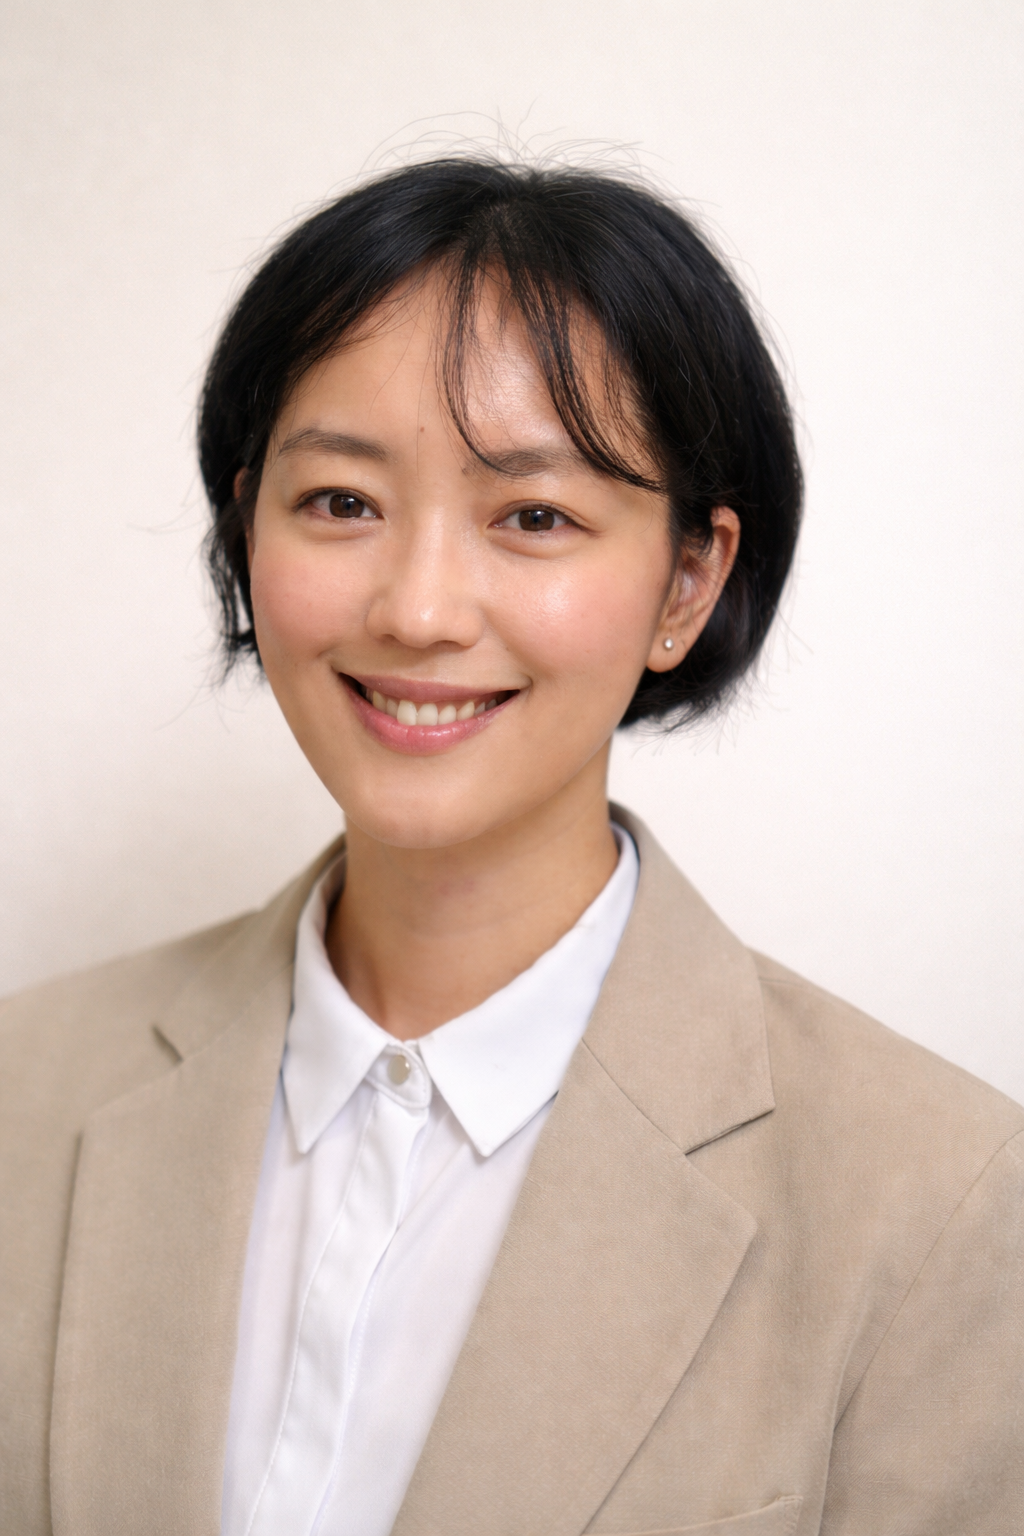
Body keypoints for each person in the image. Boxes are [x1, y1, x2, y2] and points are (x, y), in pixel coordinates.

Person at [1, 158, 1021, 1536]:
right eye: (341, 503)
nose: (419, 609)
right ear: (247, 530)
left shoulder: (944, 1201)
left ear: (689, 580)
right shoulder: (26, 1087)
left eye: (533, 516)